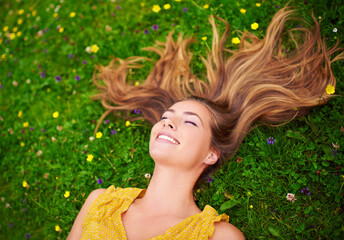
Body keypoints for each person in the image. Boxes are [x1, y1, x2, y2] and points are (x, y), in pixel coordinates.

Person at [68, 6, 343, 240]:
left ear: (211, 153)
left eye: (190, 122)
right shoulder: (100, 201)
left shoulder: (219, 236)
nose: (168, 123)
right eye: (166, 117)